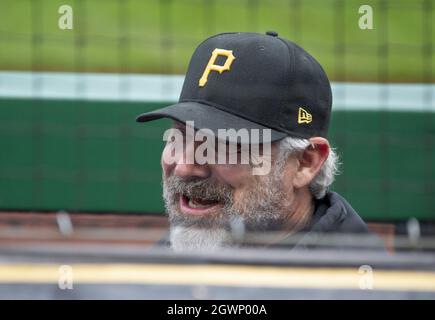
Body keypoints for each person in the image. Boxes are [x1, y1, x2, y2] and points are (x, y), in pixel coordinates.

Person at [136, 31, 383, 252]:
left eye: (224, 145)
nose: (184, 166)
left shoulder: (353, 286)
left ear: (305, 163)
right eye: (178, 138)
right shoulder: (165, 263)